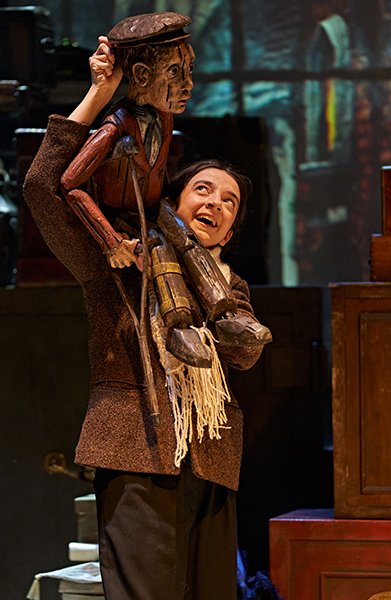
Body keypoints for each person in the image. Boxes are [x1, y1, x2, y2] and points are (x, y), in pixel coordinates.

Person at [23, 18, 268, 600]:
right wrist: (99, 95)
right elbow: (41, 187)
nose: (216, 203)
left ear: (232, 231)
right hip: (138, 450)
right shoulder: (118, 264)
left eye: (230, 201)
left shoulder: (230, 289)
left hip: (211, 461)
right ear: (170, 203)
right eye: (203, 190)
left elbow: (241, 357)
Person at [60, 12, 271, 371]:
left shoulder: (164, 118)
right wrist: (111, 241)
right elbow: (69, 183)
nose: (189, 84)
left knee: (184, 239)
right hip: (128, 222)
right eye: (176, 72)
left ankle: (225, 314)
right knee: (160, 248)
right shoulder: (115, 127)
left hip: (155, 209)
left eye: (189, 70)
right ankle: (179, 327)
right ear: (143, 76)